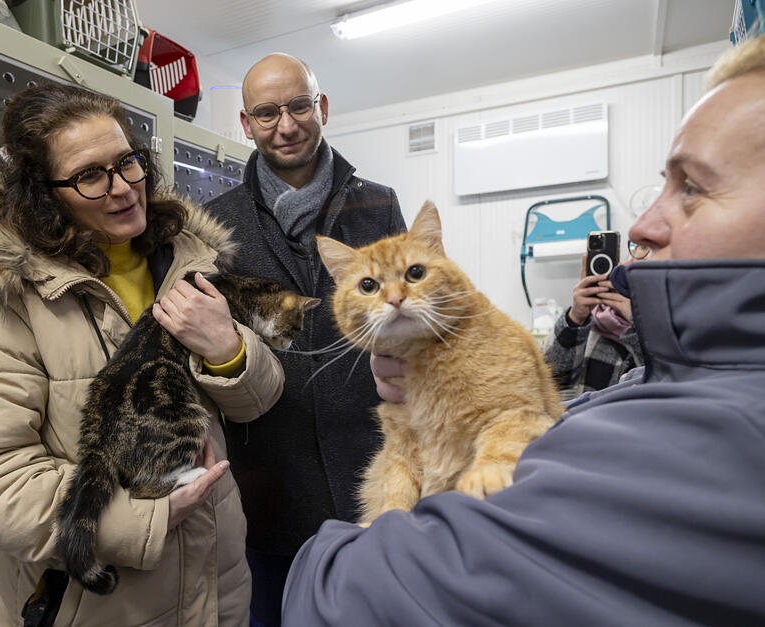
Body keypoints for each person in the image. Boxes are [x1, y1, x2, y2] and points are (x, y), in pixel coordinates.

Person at [282, 36, 765, 626]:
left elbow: (342, 595)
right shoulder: (673, 376)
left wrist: (333, 550)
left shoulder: (720, 434)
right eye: (662, 184)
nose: (641, 223)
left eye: (691, 186)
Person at [0, 83, 285, 627]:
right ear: (43, 193)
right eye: (90, 175)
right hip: (99, 603)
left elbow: (257, 402)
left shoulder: (190, 263)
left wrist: (229, 352)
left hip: (217, 586)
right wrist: (144, 519)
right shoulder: (11, 305)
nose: (123, 189)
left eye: (128, 162)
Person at [204, 53, 406, 626]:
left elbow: (411, 316)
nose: (286, 125)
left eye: (298, 106)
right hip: (267, 476)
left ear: (322, 107)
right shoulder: (217, 223)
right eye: (266, 114)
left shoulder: (378, 205)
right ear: (246, 125)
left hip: (370, 463)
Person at [544, 255, 645, 401]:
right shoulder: (596, 321)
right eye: (634, 249)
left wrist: (640, 321)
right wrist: (575, 318)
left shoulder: (668, 329)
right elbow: (552, 377)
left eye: (646, 250)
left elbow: (664, 381)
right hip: (582, 419)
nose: (628, 262)